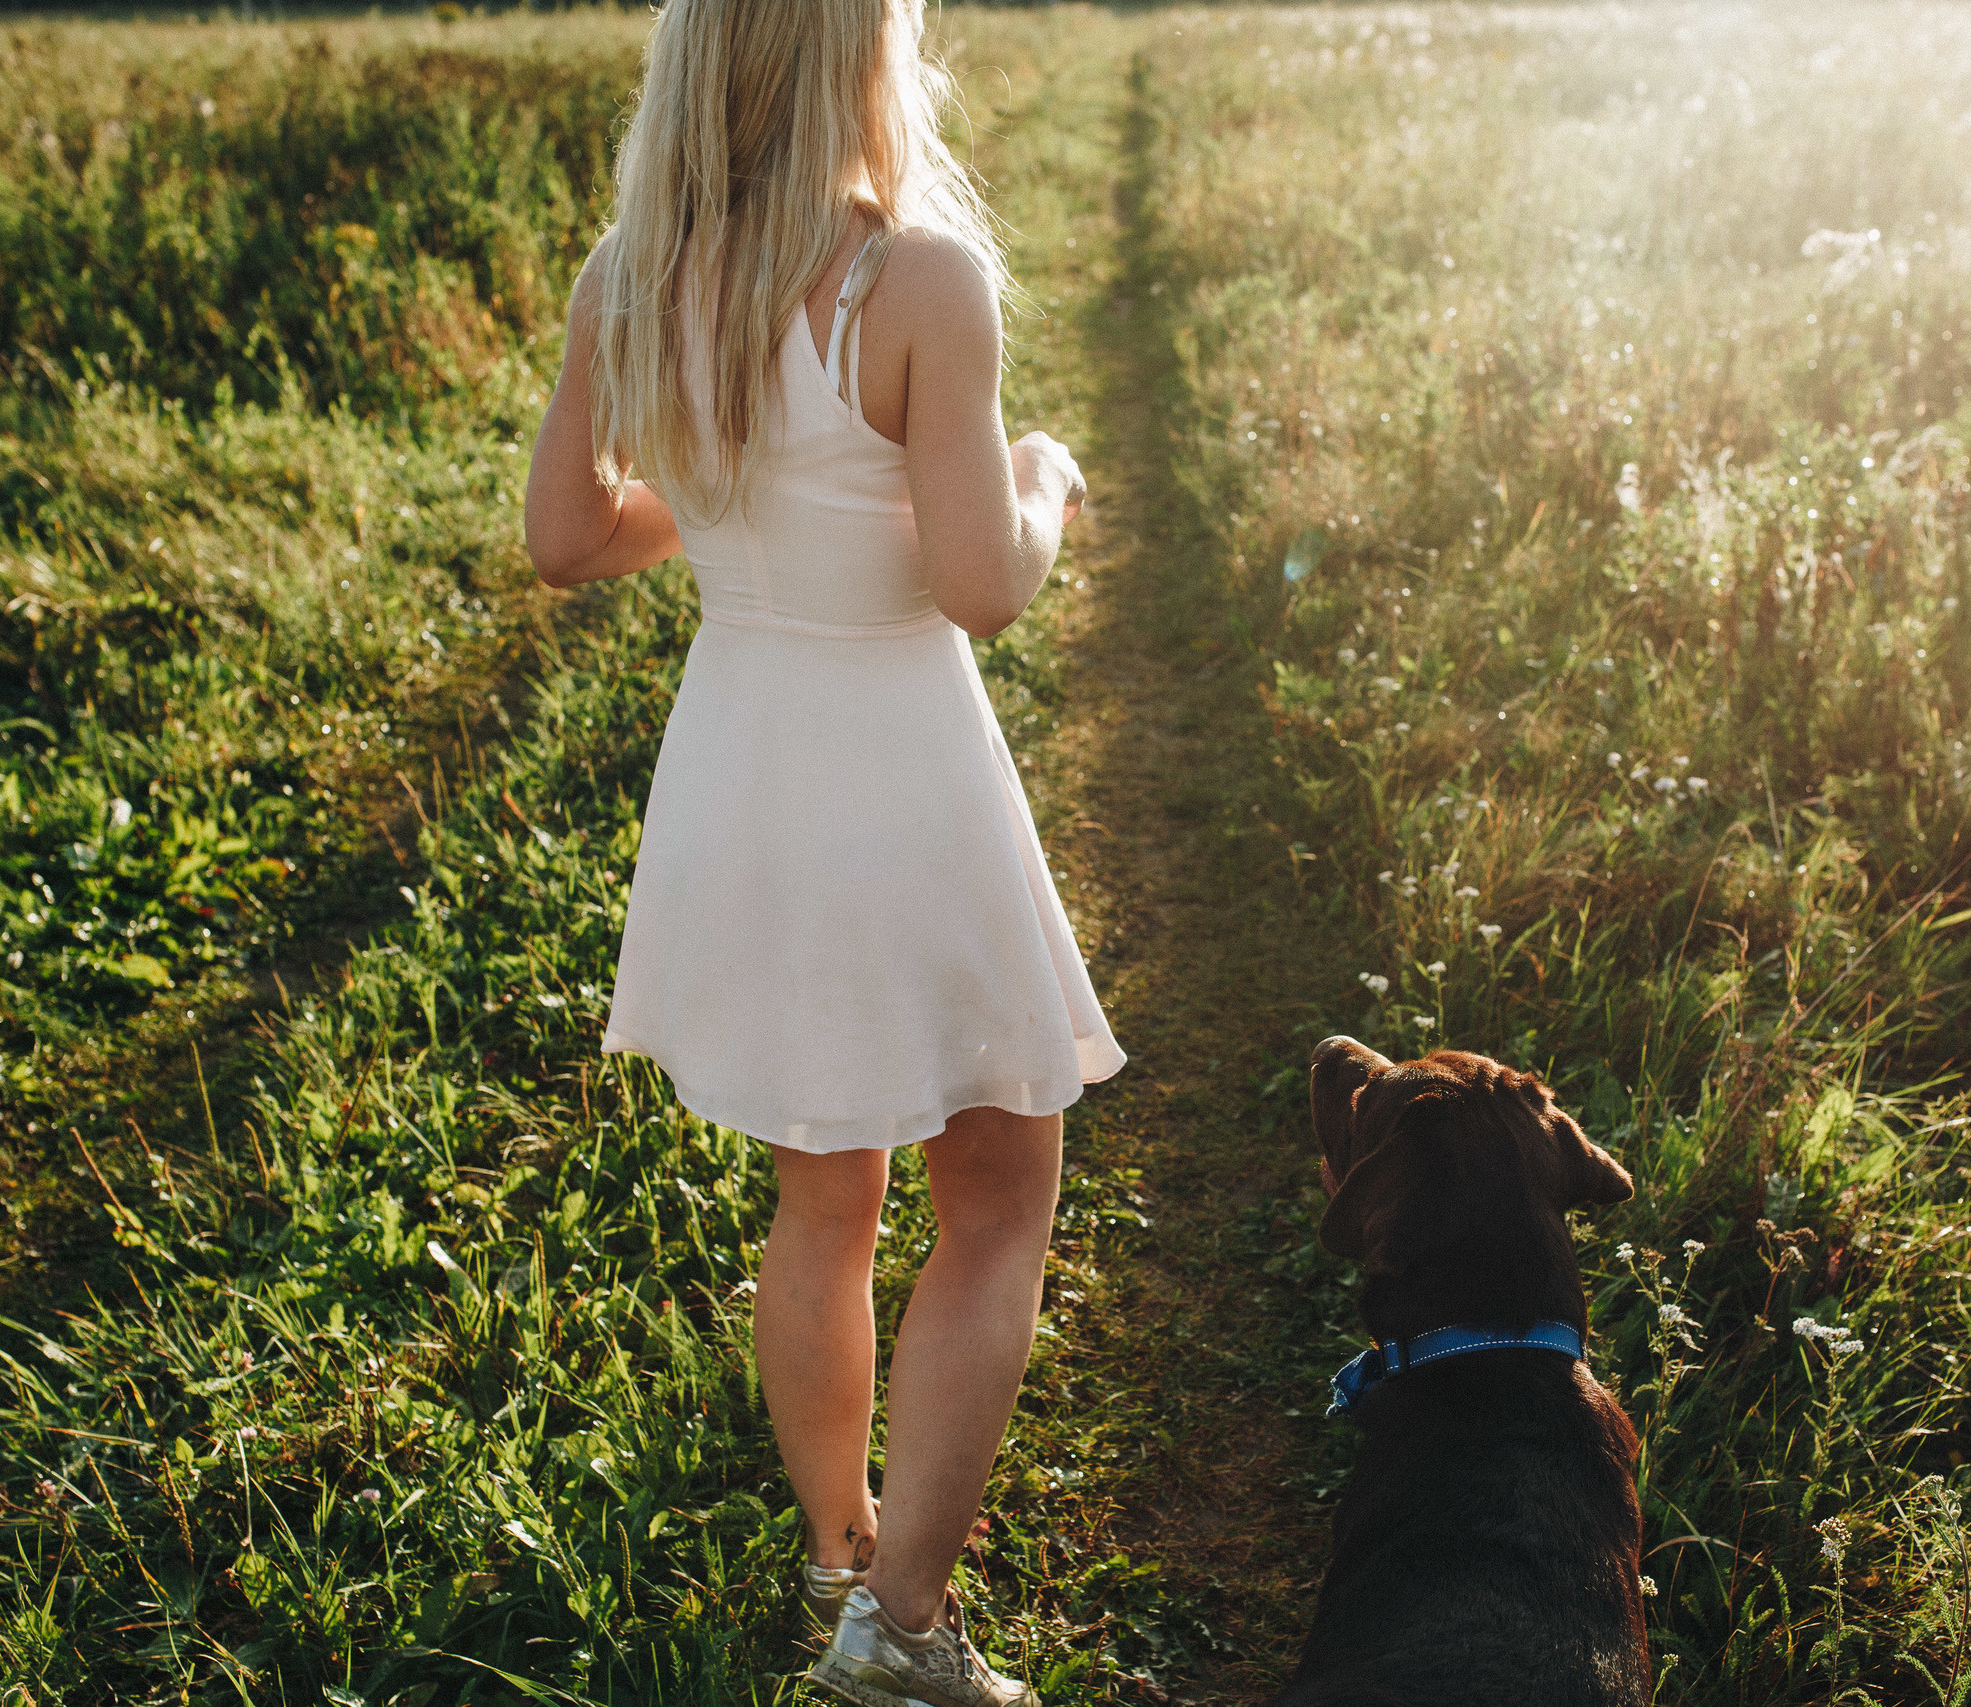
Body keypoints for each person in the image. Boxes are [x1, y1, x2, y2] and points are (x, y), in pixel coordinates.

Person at [521, 2, 1124, 1702]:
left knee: (822, 1189)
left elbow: (570, 535)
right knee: (1000, 1187)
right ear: (864, 56)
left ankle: (839, 1549)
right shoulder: (915, 280)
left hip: (742, 762)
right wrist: (1041, 478)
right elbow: (982, 583)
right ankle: (908, 1628)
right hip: (895, 768)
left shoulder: (630, 274)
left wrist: (731, 512)